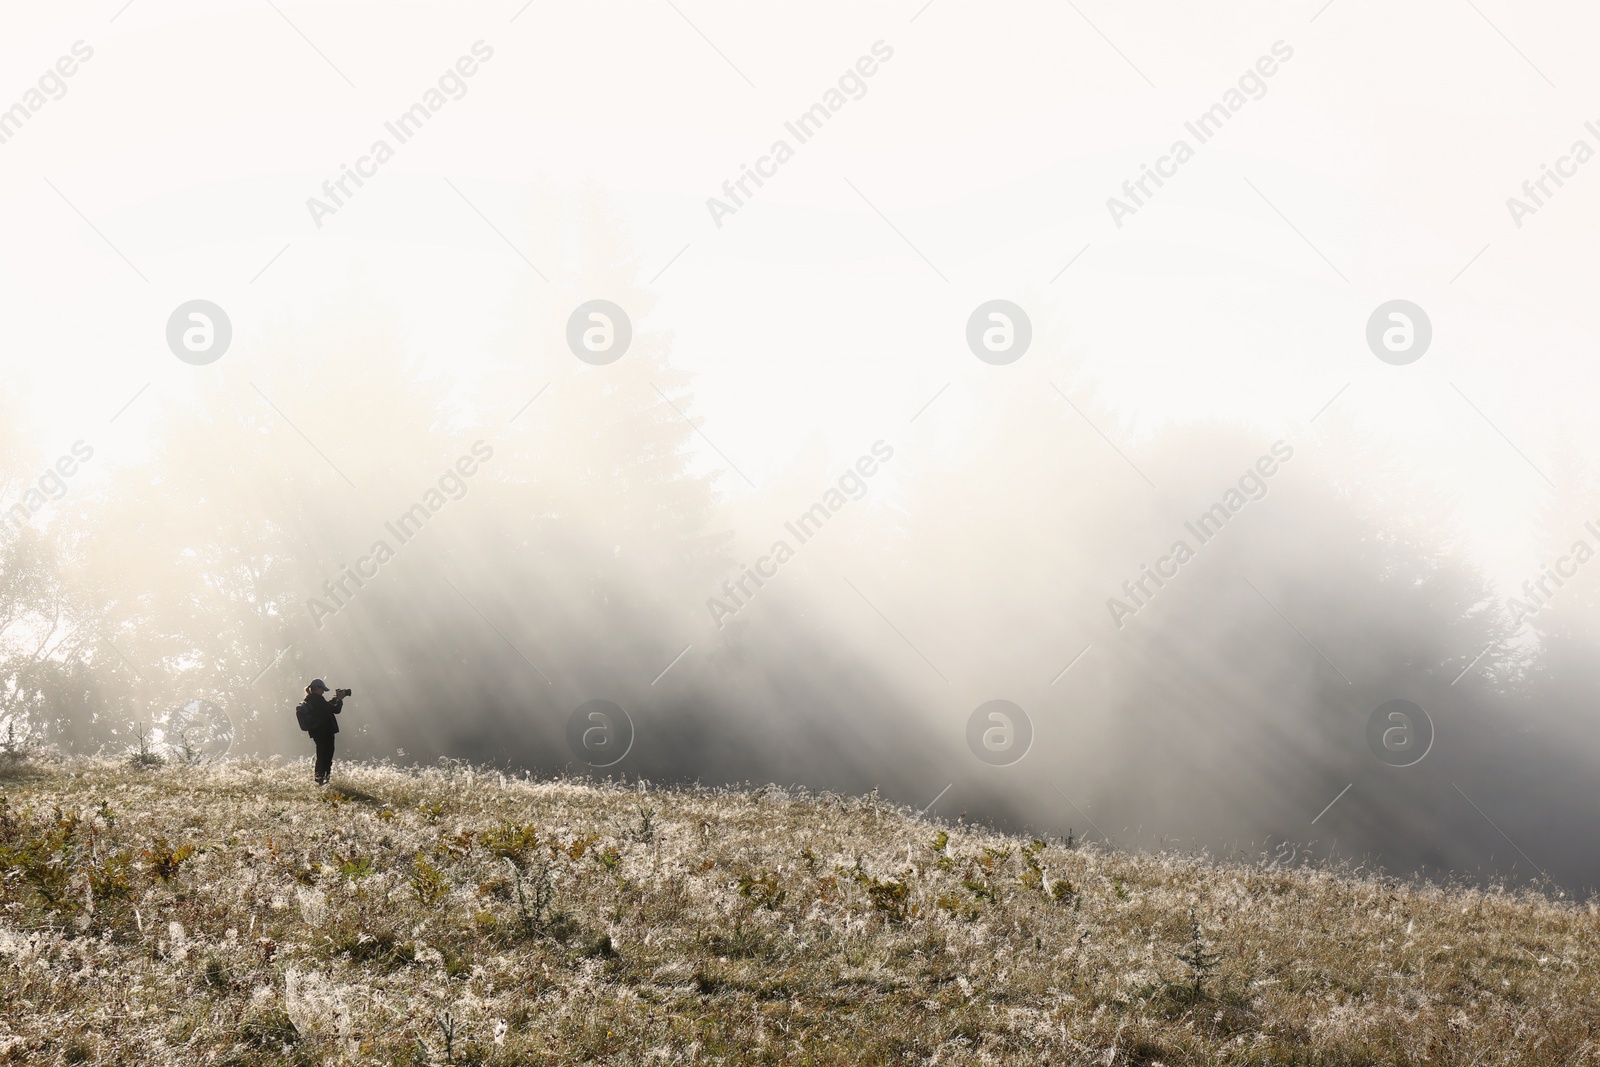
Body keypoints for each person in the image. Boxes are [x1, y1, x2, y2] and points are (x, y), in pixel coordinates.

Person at [301, 679, 348, 785]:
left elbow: (327, 707)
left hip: (318, 733)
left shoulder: (311, 700)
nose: (323, 692)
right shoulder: (317, 700)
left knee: (321, 756)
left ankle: (320, 780)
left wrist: (335, 699)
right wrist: (340, 699)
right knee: (326, 757)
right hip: (325, 733)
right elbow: (336, 710)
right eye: (322, 689)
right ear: (317, 688)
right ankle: (323, 781)